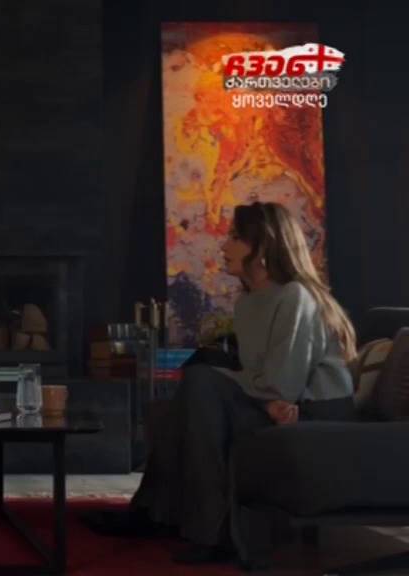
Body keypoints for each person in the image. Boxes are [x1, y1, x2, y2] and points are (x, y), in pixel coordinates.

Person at [86, 201, 358, 565]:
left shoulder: (295, 297)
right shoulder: (248, 304)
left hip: (314, 412)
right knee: (182, 400)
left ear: (262, 247)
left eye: (234, 237)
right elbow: (260, 379)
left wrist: (251, 390)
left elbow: (281, 384)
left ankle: (200, 530)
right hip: (275, 403)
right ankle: (157, 514)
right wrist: (256, 393)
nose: (223, 245)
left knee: (201, 380)